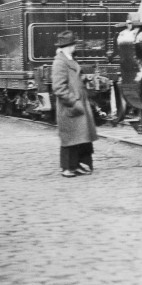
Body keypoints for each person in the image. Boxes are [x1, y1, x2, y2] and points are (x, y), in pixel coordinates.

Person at [51, 30, 97, 177]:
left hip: (77, 104)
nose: (75, 47)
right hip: (70, 106)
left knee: (78, 138)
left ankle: (75, 165)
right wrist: (73, 101)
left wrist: (84, 78)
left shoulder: (69, 59)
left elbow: (72, 78)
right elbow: (58, 87)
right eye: (73, 44)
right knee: (70, 138)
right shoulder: (60, 62)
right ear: (69, 46)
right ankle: (67, 168)